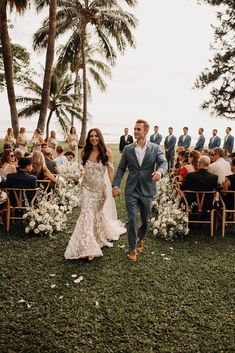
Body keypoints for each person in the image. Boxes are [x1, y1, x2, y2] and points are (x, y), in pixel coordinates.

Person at [65, 128, 125, 261]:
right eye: (91, 136)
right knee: (86, 214)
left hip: (99, 191)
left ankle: (98, 236)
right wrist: (75, 175)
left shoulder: (107, 152)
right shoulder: (84, 152)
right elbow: (82, 170)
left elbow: (110, 172)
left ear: (100, 137)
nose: (93, 138)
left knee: (96, 215)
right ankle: (88, 248)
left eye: (96, 136)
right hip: (86, 188)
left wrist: (114, 186)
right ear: (88, 138)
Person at [112, 119, 168, 262]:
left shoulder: (155, 148)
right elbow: (120, 168)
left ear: (146, 131)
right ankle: (132, 248)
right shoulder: (128, 149)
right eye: (134, 129)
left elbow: (164, 163)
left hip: (147, 188)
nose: (135, 131)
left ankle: (140, 238)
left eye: (138, 129)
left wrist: (160, 173)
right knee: (131, 219)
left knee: (146, 220)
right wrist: (116, 185)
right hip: (131, 189)